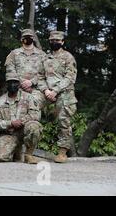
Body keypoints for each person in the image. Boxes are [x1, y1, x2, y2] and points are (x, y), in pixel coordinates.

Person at [38, 31, 78, 163]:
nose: (54, 42)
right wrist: (45, 90)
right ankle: (27, 148)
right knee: (30, 107)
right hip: (47, 92)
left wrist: (55, 90)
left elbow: (70, 78)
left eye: (57, 40)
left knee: (64, 120)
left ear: (62, 42)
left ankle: (62, 152)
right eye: (52, 40)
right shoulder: (45, 58)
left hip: (64, 92)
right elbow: (40, 77)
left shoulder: (68, 57)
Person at [0, 73, 42, 164]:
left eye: (15, 82)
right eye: (10, 82)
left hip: (24, 130)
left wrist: (21, 121)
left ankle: (29, 154)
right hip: (9, 134)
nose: (12, 85)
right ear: (6, 84)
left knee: (34, 126)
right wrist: (10, 123)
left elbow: (35, 115)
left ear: (19, 84)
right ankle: (16, 150)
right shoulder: (0, 101)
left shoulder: (28, 97)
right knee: (0, 157)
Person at [5, 29, 46, 109]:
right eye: (25, 37)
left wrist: (31, 82)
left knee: (33, 104)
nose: (27, 39)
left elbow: (45, 72)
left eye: (29, 37)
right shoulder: (14, 54)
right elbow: (10, 71)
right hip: (17, 88)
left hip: (36, 89)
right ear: (21, 39)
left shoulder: (42, 55)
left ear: (33, 38)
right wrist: (22, 83)